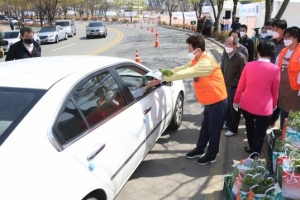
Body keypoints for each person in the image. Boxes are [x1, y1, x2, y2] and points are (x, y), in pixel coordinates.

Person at [162, 35, 227, 165]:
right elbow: (183, 68)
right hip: (210, 102)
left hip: (218, 101)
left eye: (189, 49)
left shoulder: (205, 62)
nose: (188, 52)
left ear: (197, 50)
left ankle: (211, 155)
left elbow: (189, 72)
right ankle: (200, 149)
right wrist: (167, 72)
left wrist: (166, 78)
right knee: (205, 127)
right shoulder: (197, 59)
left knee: (213, 131)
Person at [233, 40, 280, 155]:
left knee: (249, 128)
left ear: (258, 51)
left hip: (246, 104)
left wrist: (236, 100)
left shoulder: (249, 65)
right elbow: (275, 91)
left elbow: (241, 85)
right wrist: (274, 105)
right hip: (264, 107)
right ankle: (255, 153)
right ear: (273, 53)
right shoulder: (275, 69)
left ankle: (252, 147)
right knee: (260, 132)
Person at [221, 36, 247, 137]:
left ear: (236, 46)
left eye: (229, 44)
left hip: (235, 87)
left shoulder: (240, 57)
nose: (227, 46)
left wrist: (242, 89)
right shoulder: (225, 55)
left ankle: (234, 128)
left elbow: (244, 74)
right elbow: (222, 68)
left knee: (234, 109)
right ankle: (228, 123)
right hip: (226, 85)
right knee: (227, 107)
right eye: (226, 44)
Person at [276, 26, 300, 130]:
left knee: (292, 116)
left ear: (295, 38)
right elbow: (276, 67)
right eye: (285, 36)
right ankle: (282, 134)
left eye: (288, 37)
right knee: (283, 112)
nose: (285, 39)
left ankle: (290, 139)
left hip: (295, 91)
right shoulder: (283, 51)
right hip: (282, 89)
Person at [269, 19, 288, 127]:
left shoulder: (287, 44)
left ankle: (273, 118)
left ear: (283, 30)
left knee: (278, 98)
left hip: (281, 76)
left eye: (277, 29)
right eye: (273, 28)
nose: (274, 31)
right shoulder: (270, 41)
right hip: (269, 74)